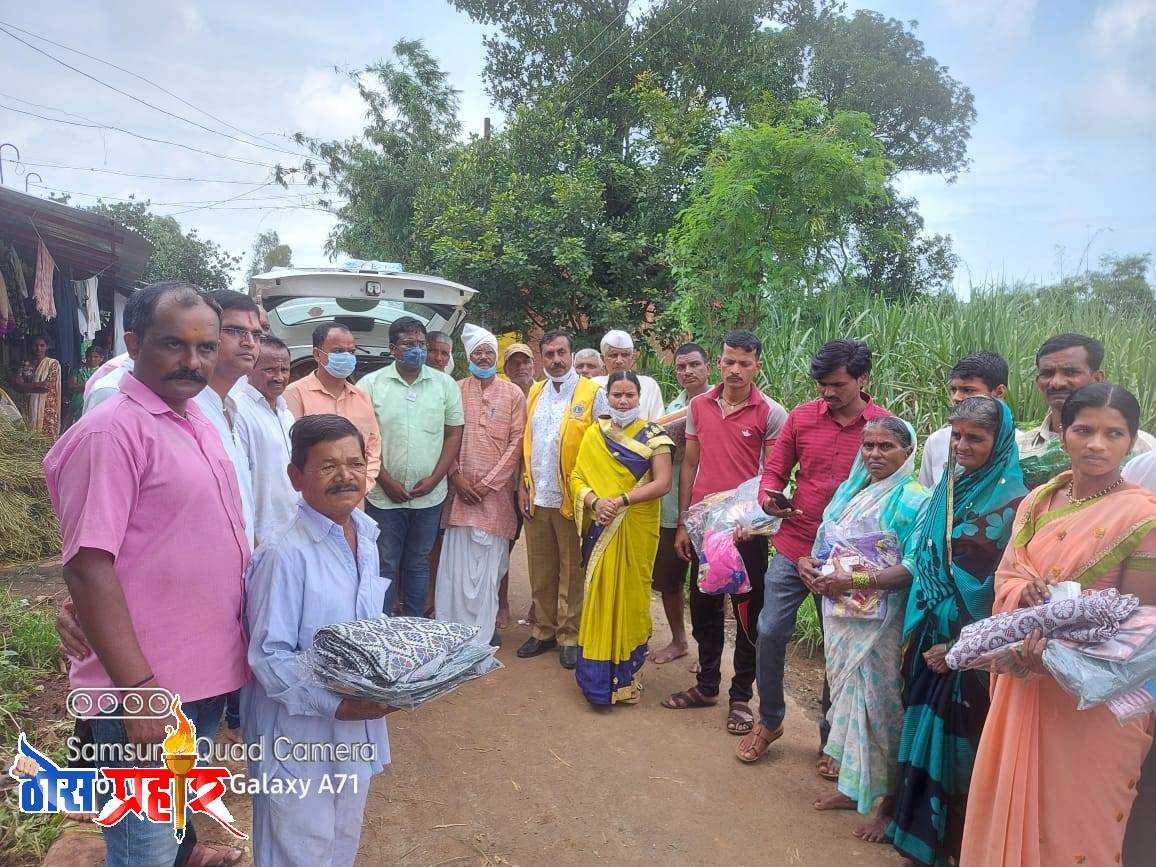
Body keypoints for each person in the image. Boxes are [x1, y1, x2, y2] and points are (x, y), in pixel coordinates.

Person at [43, 282, 247, 867]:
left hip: (198, 681)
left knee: (172, 830)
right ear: (132, 343)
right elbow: (87, 566)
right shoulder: (112, 431)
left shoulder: (192, 420)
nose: (193, 361)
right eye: (173, 345)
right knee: (143, 853)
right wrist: (136, 692)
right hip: (145, 694)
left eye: (207, 347)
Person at [961, 384, 1156, 866]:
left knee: (1076, 831)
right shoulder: (1039, 502)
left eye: (1113, 433)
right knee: (1009, 802)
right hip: (1024, 684)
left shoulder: (1142, 517)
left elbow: (1139, 628)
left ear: (1131, 442)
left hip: (1093, 704)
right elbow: (1008, 575)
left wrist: (1055, 657)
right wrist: (1021, 594)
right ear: (1062, 433)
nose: (1097, 443)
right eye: (1084, 429)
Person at [243, 414, 394, 867]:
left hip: (353, 728)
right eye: (327, 466)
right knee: (298, 848)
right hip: (297, 733)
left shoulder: (364, 537)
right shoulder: (284, 553)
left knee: (340, 841)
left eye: (354, 462)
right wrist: (341, 705)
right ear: (295, 476)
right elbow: (270, 659)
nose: (345, 476)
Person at [887, 396, 1027, 867]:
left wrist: (960, 646)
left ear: (999, 441)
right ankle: (911, 834)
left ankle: (952, 848)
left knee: (959, 743)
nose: (962, 445)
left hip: (970, 648)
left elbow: (995, 589)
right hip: (928, 629)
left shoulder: (1010, 502)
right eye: (957, 435)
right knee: (918, 724)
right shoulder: (950, 483)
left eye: (976, 438)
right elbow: (925, 554)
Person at [743, 339, 890, 765]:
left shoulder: (882, 428)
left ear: (863, 379)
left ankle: (832, 738)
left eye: (837, 384)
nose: (827, 392)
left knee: (839, 644)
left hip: (848, 559)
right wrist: (771, 496)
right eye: (822, 384)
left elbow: (892, 489)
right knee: (769, 632)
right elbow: (775, 470)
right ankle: (769, 720)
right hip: (794, 543)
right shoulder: (801, 418)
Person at [805, 418, 930, 842]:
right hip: (841, 613)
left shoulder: (915, 499)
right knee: (845, 697)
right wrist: (811, 565)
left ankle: (886, 805)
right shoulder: (851, 490)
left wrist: (854, 582)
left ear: (908, 452)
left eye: (887, 447)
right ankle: (851, 784)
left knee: (879, 707)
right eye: (869, 446)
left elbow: (911, 567)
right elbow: (826, 544)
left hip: (881, 620)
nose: (875, 455)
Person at [662, 330, 786, 739]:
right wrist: (685, 521)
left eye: (744, 363)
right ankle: (707, 685)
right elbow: (689, 465)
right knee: (705, 606)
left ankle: (740, 698)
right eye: (729, 361)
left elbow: (774, 476)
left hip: (746, 532)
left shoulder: (770, 413)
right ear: (719, 362)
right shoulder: (699, 406)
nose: (735, 370)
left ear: (757, 366)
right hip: (705, 528)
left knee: (748, 613)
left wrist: (755, 525)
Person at [571, 371, 673, 704]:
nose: (623, 401)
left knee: (631, 597)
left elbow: (663, 484)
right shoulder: (593, 434)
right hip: (601, 524)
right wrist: (595, 502)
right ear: (608, 397)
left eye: (630, 395)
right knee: (600, 596)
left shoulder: (654, 435)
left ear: (639, 398)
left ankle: (626, 677)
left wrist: (622, 500)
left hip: (635, 526)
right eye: (617, 395)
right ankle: (597, 682)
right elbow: (577, 477)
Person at [358, 316, 464, 616]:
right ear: (393, 349)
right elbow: (363, 439)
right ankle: (384, 625)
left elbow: (454, 432)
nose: (417, 350)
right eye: (409, 344)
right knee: (386, 562)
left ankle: (414, 624)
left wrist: (435, 479)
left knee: (418, 562)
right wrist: (384, 480)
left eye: (421, 344)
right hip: (383, 495)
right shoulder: (370, 385)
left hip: (429, 496)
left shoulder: (444, 385)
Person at [517, 329, 606, 669]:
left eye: (561, 353)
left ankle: (570, 634)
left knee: (572, 568)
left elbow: (603, 444)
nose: (555, 360)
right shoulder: (535, 393)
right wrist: (523, 486)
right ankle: (543, 630)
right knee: (540, 567)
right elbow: (527, 444)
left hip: (572, 499)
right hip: (538, 494)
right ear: (542, 358)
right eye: (549, 354)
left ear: (571, 355)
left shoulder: (592, 393)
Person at [435, 325, 526, 646]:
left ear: (496, 356)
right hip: (458, 494)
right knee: (456, 570)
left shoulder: (513, 393)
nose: (483, 357)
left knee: (491, 570)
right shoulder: (455, 388)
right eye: (477, 353)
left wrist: (489, 484)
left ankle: (481, 634)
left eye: (488, 351)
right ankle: (452, 633)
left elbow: (517, 443)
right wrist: (456, 476)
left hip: (496, 497)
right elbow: (447, 436)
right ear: (468, 357)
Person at [1017, 333, 1155, 488]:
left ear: (1097, 378)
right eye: (1047, 374)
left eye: (1070, 372)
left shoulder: (1144, 449)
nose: (1056, 383)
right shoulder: (1019, 449)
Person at [650, 343, 711, 665]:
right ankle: (678, 641)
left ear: (707, 368)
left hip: (710, 509)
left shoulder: (722, 404)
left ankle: (707, 651)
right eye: (681, 367)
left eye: (693, 365)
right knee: (669, 582)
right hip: (671, 507)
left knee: (709, 586)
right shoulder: (671, 409)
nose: (687, 371)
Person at [193, 290, 261, 550]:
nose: (249, 342)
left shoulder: (232, 407)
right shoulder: (187, 410)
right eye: (234, 331)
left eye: (256, 334)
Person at [283, 322, 382, 497]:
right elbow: (288, 450)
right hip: (311, 501)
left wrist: (364, 484)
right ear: (317, 354)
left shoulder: (362, 397)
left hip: (354, 497)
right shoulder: (295, 394)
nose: (347, 357)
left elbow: (373, 446)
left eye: (351, 352)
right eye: (338, 351)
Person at [235, 336, 299, 545]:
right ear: (250, 368)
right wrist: (251, 537)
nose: (279, 377)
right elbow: (237, 482)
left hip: (291, 528)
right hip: (258, 534)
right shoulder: (238, 411)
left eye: (285, 370)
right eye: (269, 370)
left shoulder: (285, 413)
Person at [917, 352, 1008, 488]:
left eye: (967, 390)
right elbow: (924, 498)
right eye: (954, 390)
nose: (956, 397)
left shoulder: (1018, 446)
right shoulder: (937, 441)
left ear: (999, 392)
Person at [499, 341, 536, 628]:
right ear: (506, 368)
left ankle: (541, 608)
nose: (521, 367)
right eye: (515, 362)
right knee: (503, 549)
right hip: (505, 487)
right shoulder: (502, 396)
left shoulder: (545, 393)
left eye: (525, 361)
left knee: (542, 551)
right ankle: (501, 605)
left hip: (539, 487)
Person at [593, 330, 665, 420]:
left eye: (625, 355)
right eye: (613, 355)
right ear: (602, 359)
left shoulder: (649, 385)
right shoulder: (593, 386)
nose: (619, 360)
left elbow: (658, 423)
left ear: (632, 358)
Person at [10, 334, 62, 438]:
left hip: (46, 407)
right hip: (28, 404)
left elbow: (46, 387)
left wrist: (25, 385)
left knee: (45, 439)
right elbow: (16, 385)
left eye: (42, 345)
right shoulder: (26, 364)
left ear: (47, 347)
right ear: (31, 347)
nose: (38, 348)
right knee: (28, 435)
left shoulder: (53, 364)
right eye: (35, 345)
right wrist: (37, 385)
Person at [65, 344, 105, 425]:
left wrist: (82, 387)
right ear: (86, 357)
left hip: (96, 404)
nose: (92, 359)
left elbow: (103, 389)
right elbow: (71, 385)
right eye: (89, 356)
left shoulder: (104, 372)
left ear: (101, 358)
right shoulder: (78, 370)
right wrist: (90, 387)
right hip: (77, 403)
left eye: (96, 357)